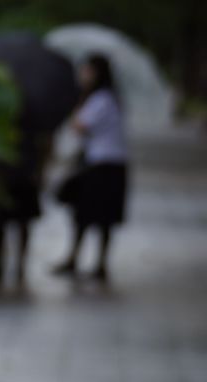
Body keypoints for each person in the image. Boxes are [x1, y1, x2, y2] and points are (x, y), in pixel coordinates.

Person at [52, 54, 128, 281]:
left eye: (86, 71)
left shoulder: (100, 99)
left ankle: (88, 261)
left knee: (91, 215)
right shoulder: (108, 98)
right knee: (97, 216)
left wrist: (76, 105)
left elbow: (80, 126)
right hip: (108, 163)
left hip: (101, 164)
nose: (83, 76)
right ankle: (88, 261)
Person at [0, 129, 47, 286]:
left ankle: (9, 264)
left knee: (11, 223)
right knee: (5, 223)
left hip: (16, 174)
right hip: (14, 173)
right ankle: (3, 264)